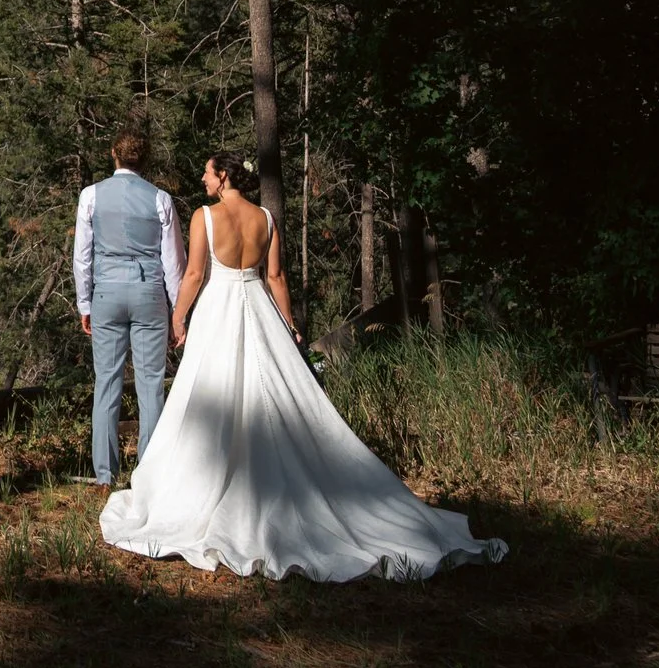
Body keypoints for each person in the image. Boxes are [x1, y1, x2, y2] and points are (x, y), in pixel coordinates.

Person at [99, 154, 508, 581]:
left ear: (222, 177)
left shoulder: (205, 216)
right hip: (257, 308)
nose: (201, 178)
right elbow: (275, 278)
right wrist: (289, 324)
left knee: (212, 393)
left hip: (218, 313)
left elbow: (195, 273)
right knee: (275, 396)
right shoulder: (266, 219)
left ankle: (214, 483)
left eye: (206, 171)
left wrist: (179, 317)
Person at [73, 131, 184, 486]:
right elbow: (173, 261)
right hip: (149, 293)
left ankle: (105, 475)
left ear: (113, 154)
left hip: (107, 292)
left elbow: (82, 256)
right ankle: (148, 474)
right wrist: (176, 312)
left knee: (107, 382)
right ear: (144, 160)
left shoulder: (91, 196)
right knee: (151, 384)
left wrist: (84, 302)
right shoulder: (160, 199)